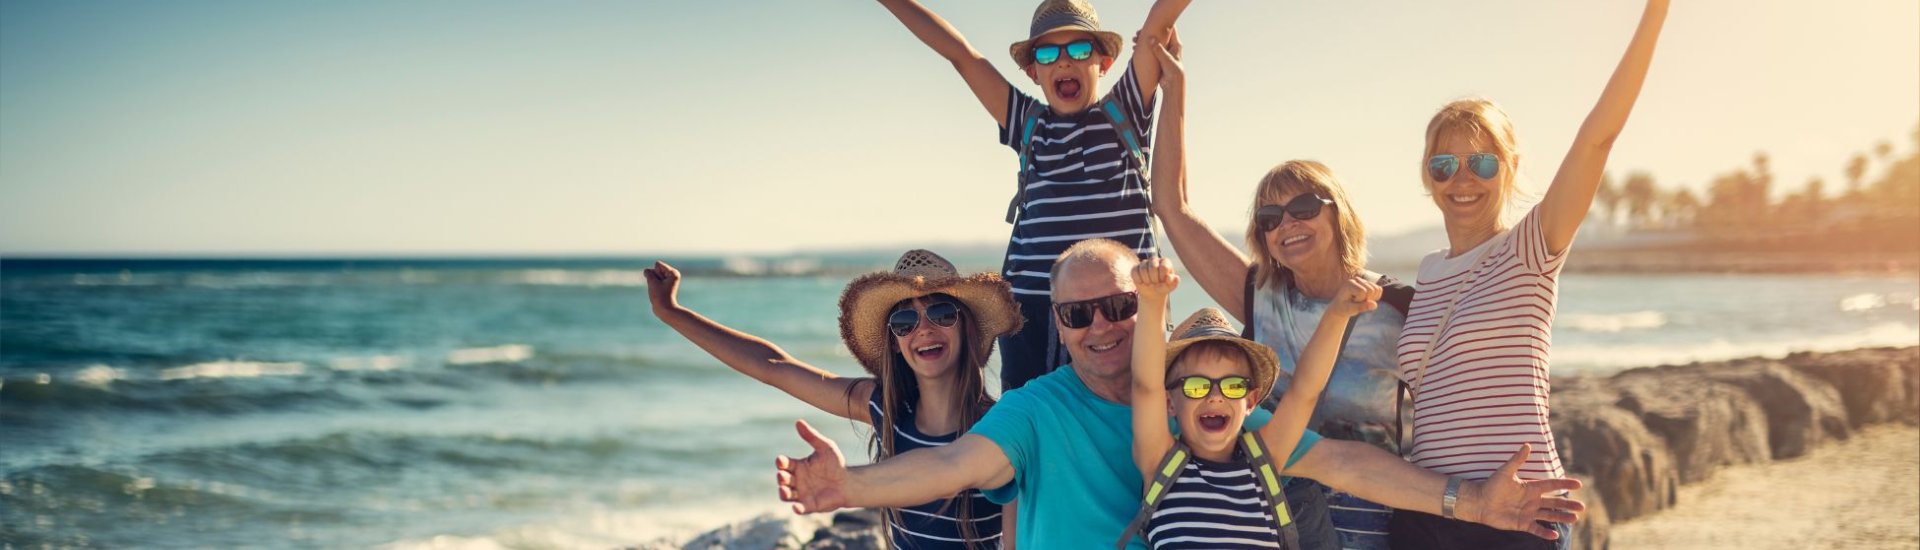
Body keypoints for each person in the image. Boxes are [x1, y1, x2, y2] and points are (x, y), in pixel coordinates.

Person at [773, 238, 1584, 548]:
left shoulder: (1205, 410)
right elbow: (951, 465)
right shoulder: (1036, 409)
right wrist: (852, 486)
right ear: (1059, 327)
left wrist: (1470, 500)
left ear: (1146, 307)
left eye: (1119, 306)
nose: (1101, 326)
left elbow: (1340, 460)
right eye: (1078, 314)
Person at [1392, 2, 1670, 548]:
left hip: (1521, 513)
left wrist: (1655, 14)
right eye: (1444, 165)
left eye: (1482, 162)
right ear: (1428, 176)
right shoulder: (1426, 273)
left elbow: (1597, 138)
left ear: (1512, 166)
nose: (1462, 180)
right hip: (1433, 511)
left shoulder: (1530, 249)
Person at [1137, 32, 1412, 550]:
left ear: (1339, 212)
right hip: (1273, 520)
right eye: (1270, 217)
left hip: (1371, 522)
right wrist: (1175, 89)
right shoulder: (1259, 296)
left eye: (1304, 208)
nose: (1288, 224)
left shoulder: (1397, 307)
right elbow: (1171, 206)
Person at [871, 0, 1191, 392]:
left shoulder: (1125, 111)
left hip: (1119, 308)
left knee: (1131, 418)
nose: (1064, 61)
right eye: (1047, 54)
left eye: (1079, 49)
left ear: (1104, 63)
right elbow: (961, 56)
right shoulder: (1028, 122)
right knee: (1028, 422)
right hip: (1031, 314)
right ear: (1032, 72)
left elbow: (1160, 20)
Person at [644, 250, 1019, 549]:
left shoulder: (1000, 428)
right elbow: (773, 366)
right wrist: (672, 313)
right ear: (894, 342)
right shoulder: (886, 408)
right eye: (905, 322)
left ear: (966, 326)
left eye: (941, 312)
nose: (923, 329)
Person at [1121, 256, 1381, 549]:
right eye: (1197, 386)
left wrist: (1336, 316)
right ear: (1169, 403)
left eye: (1233, 386)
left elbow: (1304, 391)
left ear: (1251, 401)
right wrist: (1152, 301)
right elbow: (1146, 387)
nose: (1215, 395)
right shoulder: (1161, 464)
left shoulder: (1263, 463)